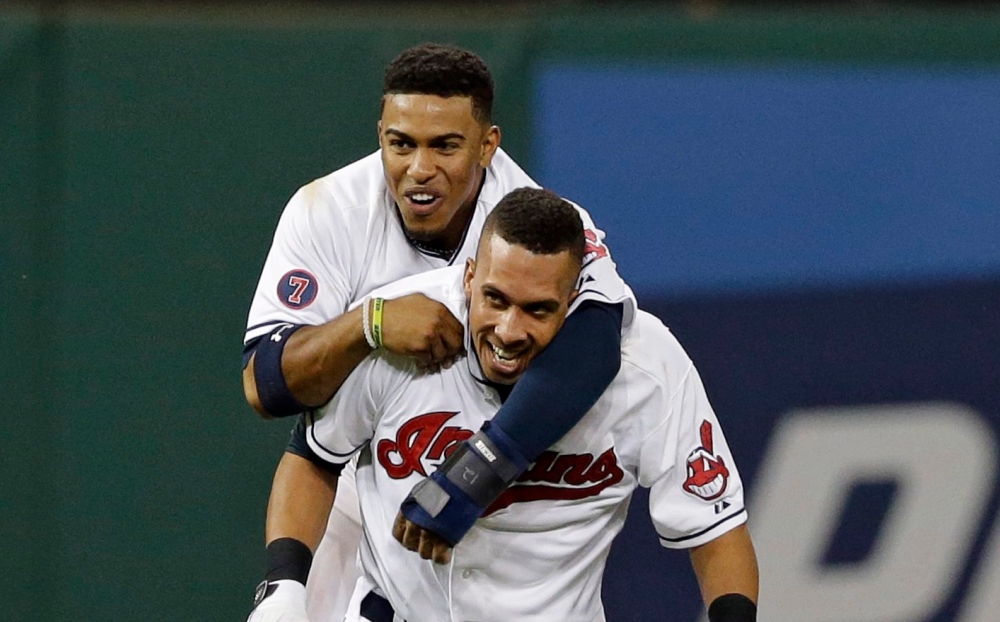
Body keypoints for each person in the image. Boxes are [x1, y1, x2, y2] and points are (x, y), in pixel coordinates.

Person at [241, 44, 635, 621]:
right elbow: (268, 386)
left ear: (488, 144)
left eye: (445, 145)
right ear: (380, 134)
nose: (419, 168)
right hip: (365, 476)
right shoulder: (329, 209)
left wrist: (477, 472)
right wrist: (369, 323)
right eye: (401, 143)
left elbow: (597, 338)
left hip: (501, 479)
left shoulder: (533, 219)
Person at [254, 188, 759, 622]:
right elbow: (315, 456)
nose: (510, 330)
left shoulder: (644, 366)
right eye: (495, 299)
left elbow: (714, 526)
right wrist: (284, 583)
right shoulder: (407, 328)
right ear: (469, 276)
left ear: (574, 301)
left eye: (538, 309)